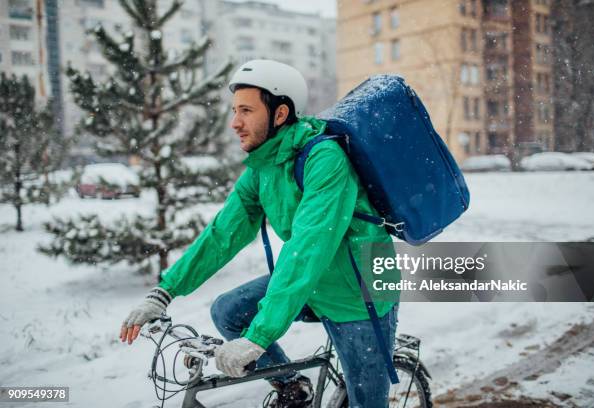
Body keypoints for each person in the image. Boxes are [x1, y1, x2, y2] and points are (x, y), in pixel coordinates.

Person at [120, 59, 398, 408]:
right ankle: (292, 387)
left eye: (247, 111)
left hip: (358, 294)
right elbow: (223, 234)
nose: (235, 123)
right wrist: (165, 291)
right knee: (228, 312)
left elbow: (308, 248)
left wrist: (259, 337)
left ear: (280, 114)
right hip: (308, 282)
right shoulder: (263, 166)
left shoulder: (325, 159)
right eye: (235, 110)